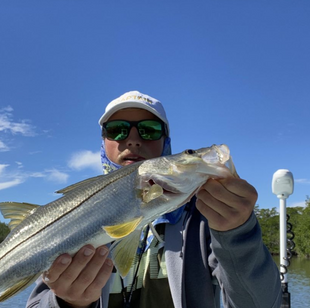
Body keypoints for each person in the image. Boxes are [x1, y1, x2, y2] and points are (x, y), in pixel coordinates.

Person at [26, 90, 282, 308]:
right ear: (103, 142)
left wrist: (238, 234)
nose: (133, 140)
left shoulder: (207, 217)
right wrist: (67, 303)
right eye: (117, 130)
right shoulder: (71, 216)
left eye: (149, 130)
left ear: (166, 143)